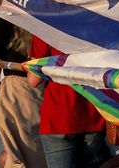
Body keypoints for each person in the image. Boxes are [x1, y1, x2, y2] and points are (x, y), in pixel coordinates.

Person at [29, 33, 108, 168]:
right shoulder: (99, 27)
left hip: (59, 115)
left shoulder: (46, 29)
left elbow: (33, 80)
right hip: (93, 113)